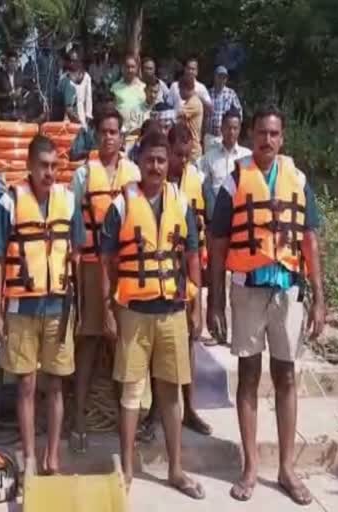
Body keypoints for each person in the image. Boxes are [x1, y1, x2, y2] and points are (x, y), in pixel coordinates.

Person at [206, 107, 326, 505]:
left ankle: (287, 468)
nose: (267, 140)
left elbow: (309, 239)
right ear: (251, 136)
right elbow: (219, 243)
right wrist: (215, 302)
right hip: (247, 288)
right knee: (249, 375)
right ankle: (250, 467)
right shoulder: (234, 180)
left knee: (286, 376)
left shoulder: (298, 179)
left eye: (274, 134)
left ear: (282, 138)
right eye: (261, 133)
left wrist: (319, 298)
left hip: (287, 290)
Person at [100, 131, 205, 500]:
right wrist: (110, 308)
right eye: (150, 160)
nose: (156, 166)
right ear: (139, 161)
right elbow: (107, 259)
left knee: (171, 391)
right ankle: (127, 469)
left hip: (173, 309)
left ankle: (176, 469)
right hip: (134, 311)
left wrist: (197, 305)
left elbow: (192, 255)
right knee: (130, 393)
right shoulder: (121, 204)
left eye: (162, 160)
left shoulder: (181, 201)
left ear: (168, 163)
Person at [0, 135, 84, 476]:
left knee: (56, 384)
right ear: (30, 165)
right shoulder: (9, 201)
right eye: (43, 166)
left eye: (53, 166)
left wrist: (79, 307)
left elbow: (75, 255)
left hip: (58, 306)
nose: (49, 172)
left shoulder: (69, 201)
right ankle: (30, 455)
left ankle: (52, 457)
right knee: (27, 384)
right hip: (20, 307)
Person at [69, 108, 140, 453]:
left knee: (122, 345)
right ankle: (79, 420)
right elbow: (74, 225)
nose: (109, 137)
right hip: (94, 265)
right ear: (97, 136)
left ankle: (126, 419)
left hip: (127, 267)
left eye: (115, 131)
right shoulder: (83, 174)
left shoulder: (134, 172)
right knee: (91, 341)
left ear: (122, 136)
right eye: (104, 131)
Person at [138, 124, 210, 441]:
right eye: (176, 154)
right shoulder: (154, 188)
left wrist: (201, 300)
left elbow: (199, 240)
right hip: (159, 276)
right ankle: (155, 410)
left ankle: (190, 408)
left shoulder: (196, 182)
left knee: (189, 345)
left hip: (186, 273)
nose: (181, 160)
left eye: (185, 154)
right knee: (160, 351)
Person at [200, 108, 252, 206]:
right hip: (217, 211)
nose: (231, 132)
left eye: (235, 128)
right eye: (228, 128)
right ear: (222, 128)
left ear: (239, 130)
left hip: (240, 209)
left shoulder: (247, 156)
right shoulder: (209, 157)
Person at [110, 54, 146, 146]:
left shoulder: (144, 87)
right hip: (122, 135)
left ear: (137, 68)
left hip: (140, 135)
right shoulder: (115, 87)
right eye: (127, 67)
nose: (130, 70)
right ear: (123, 68)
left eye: (133, 67)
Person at [206, 65, 242, 147]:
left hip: (226, 136)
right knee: (209, 159)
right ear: (214, 77)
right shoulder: (208, 93)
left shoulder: (231, 93)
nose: (222, 80)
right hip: (210, 136)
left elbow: (239, 113)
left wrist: (234, 130)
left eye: (224, 77)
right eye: (219, 76)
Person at [0, 50, 24, 121]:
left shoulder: (20, 76)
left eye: (14, 62)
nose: (13, 64)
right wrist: (8, 95)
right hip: (5, 113)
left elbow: (26, 88)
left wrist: (21, 91)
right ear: (6, 62)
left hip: (19, 111)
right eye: (11, 61)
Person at [177, 78, 204, 160]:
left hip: (193, 150)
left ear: (185, 89)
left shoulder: (193, 102)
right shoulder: (190, 101)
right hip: (189, 147)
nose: (179, 93)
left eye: (180, 90)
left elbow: (176, 115)